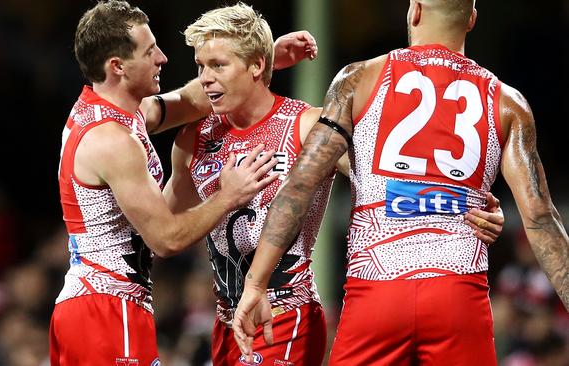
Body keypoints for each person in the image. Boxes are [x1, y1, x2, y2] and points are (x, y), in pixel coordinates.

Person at [163, 3, 505, 365]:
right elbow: (167, 235)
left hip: (286, 314)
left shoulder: (306, 124)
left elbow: (386, 180)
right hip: (226, 320)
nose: (205, 78)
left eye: (217, 65)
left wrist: (462, 206)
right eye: (200, 66)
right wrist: (224, 198)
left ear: (256, 65)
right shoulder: (193, 139)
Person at [233, 0, 569, 365]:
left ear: (415, 11)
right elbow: (540, 218)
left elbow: (302, 181)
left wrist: (256, 281)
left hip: (376, 290)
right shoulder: (506, 101)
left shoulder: (359, 79)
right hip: (458, 293)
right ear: (471, 19)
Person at [49, 1, 319, 365]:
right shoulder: (112, 139)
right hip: (108, 308)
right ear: (118, 67)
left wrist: (262, 58)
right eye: (149, 51)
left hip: (87, 304)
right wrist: (228, 196)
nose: (162, 58)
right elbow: (166, 239)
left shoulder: (110, 112)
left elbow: (191, 100)